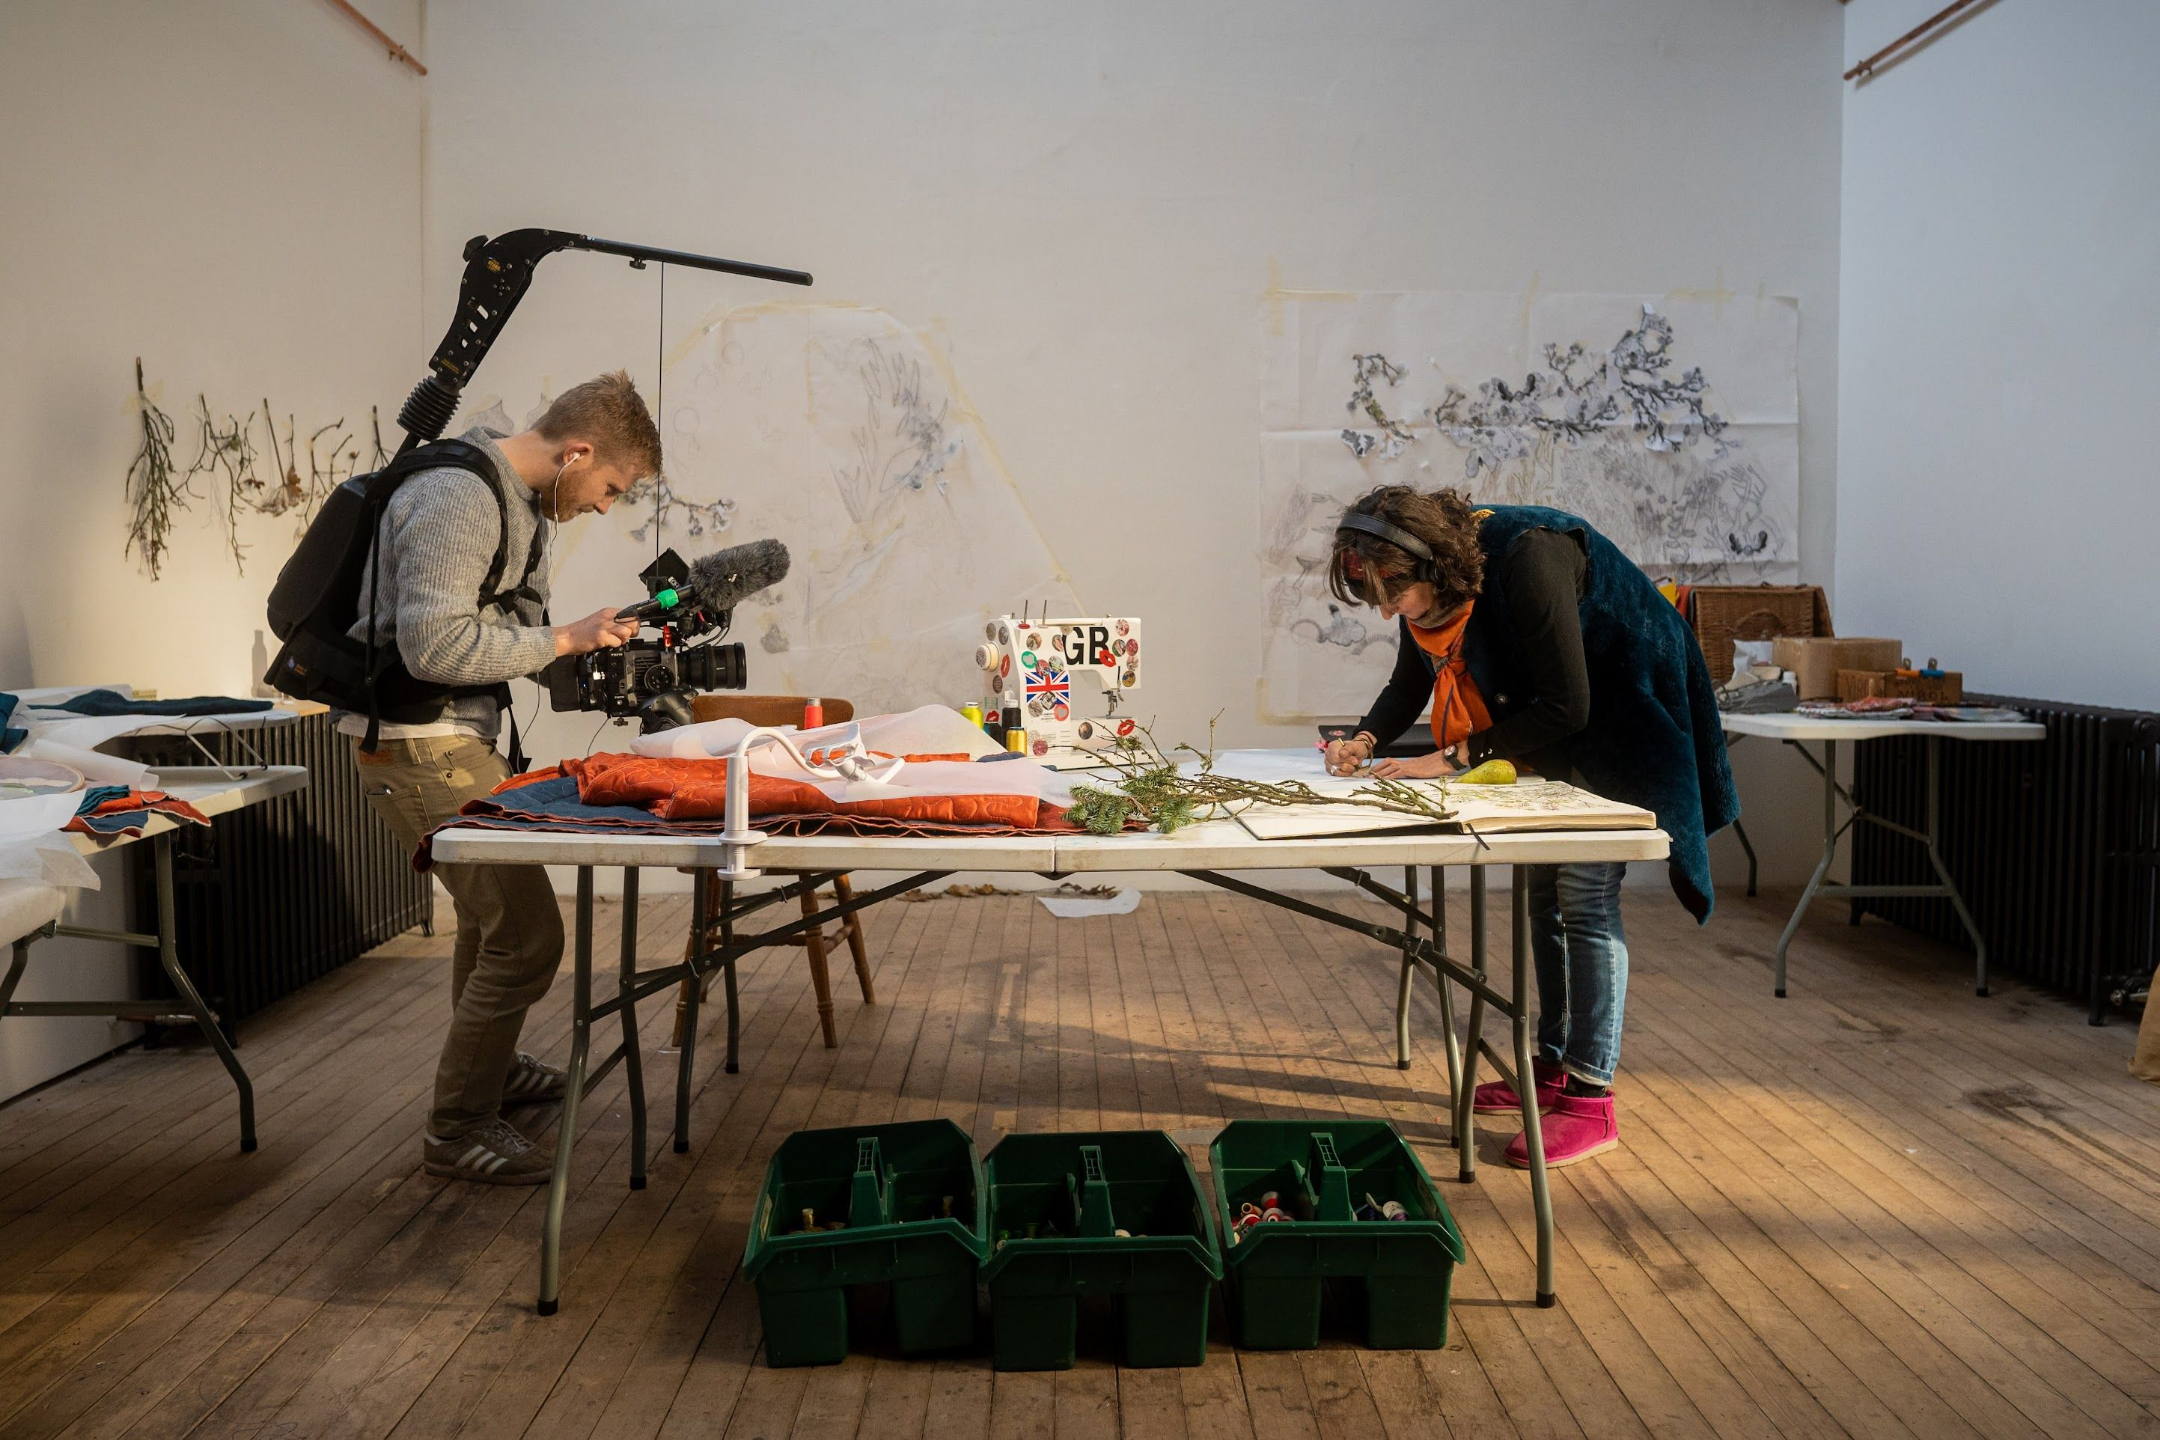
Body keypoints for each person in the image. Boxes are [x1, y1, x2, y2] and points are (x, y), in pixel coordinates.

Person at [1323, 486, 1738, 1169]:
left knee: (1585, 897)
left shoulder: (1529, 557)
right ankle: (1551, 1067)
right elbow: (1409, 681)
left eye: (1393, 596)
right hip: (1564, 710)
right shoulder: (1433, 574)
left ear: (1430, 567)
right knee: (1544, 892)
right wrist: (1363, 740)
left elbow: (1569, 704)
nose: (1389, 611)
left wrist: (1452, 757)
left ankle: (1591, 1099)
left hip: (1626, 704)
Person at [344, 371, 656, 1184]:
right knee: (526, 937)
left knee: (490, 927)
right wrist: (564, 640)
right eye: (611, 488)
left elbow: (497, 636)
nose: (605, 507)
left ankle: (495, 1072)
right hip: (418, 744)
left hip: (451, 738)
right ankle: (456, 1129)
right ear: (576, 452)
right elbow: (434, 648)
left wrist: (593, 648)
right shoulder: (460, 495)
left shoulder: (521, 505)